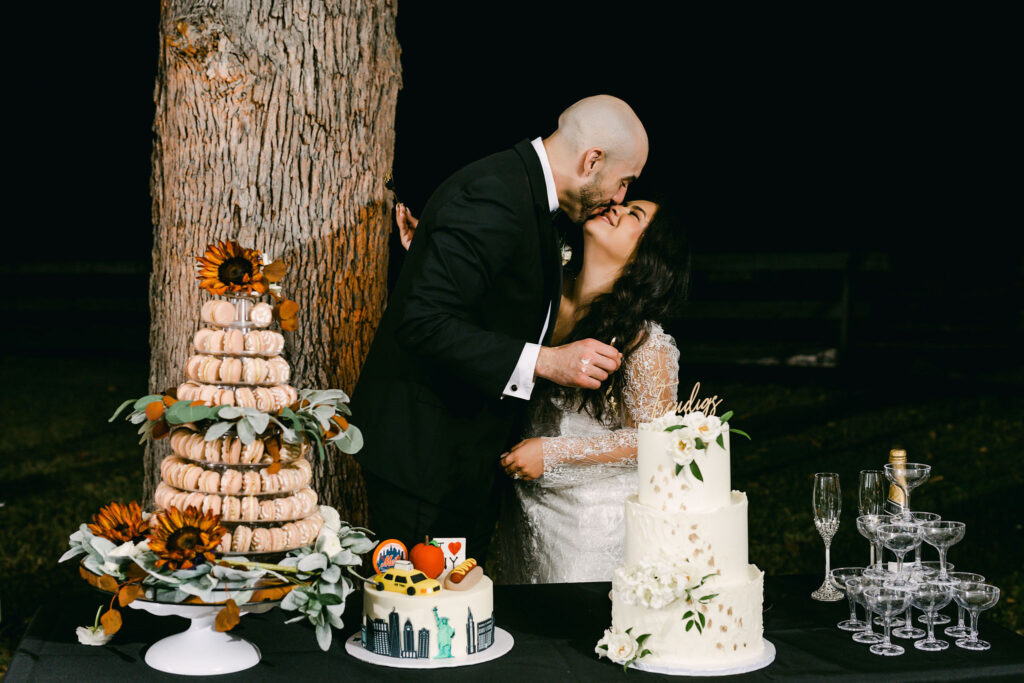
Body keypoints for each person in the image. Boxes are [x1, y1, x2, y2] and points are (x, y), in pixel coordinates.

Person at [351, 95, 649, 562]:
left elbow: (485, 296)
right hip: (425, 460)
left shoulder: (524, 194)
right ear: (592, 160)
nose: (619, 198)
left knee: (450, 610)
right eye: (623, 182)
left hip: (461, 457)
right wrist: (548, 361)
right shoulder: (495, 193)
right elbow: (423, 320)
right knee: (421, 614)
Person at [395, 197, 690, 583]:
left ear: (647, 257)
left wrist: (552, 452)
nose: (616, 207)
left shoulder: (645, 343)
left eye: (634, 214)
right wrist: (435, 252)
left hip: (589, 527)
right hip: (525, 509)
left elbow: (654, 441)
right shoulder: (543, 297)